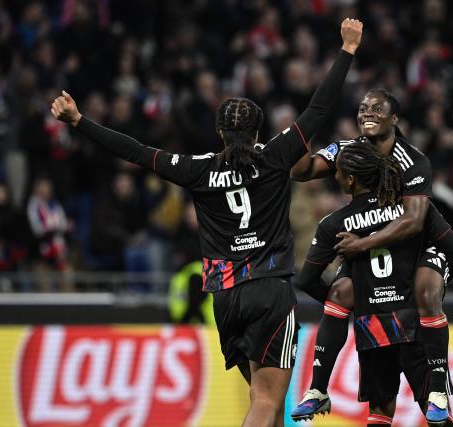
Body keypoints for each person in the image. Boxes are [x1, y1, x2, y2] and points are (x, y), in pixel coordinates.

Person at [50, 18, 363, 427]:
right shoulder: (276, 154)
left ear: (219, 133)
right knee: (268, 401)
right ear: (257, 131)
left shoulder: (197, 169)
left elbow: (136, 151)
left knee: (261, 398)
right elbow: (319, 108)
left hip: (226, 298)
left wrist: (79, 121)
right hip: (269, 291)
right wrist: (348, 50)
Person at [290, 89, 453, 426]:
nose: (367, 112)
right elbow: (302, 170)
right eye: (363, 107)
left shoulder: (413, 161)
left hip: (420, 246)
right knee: (342, 293)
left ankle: (439, 388)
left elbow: (415, 222)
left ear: (395, 119)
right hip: (379, 269)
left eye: (377, 108)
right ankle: (317, 388)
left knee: (425, 290)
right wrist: (305, 125)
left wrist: (363, 244)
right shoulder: (348, 151)